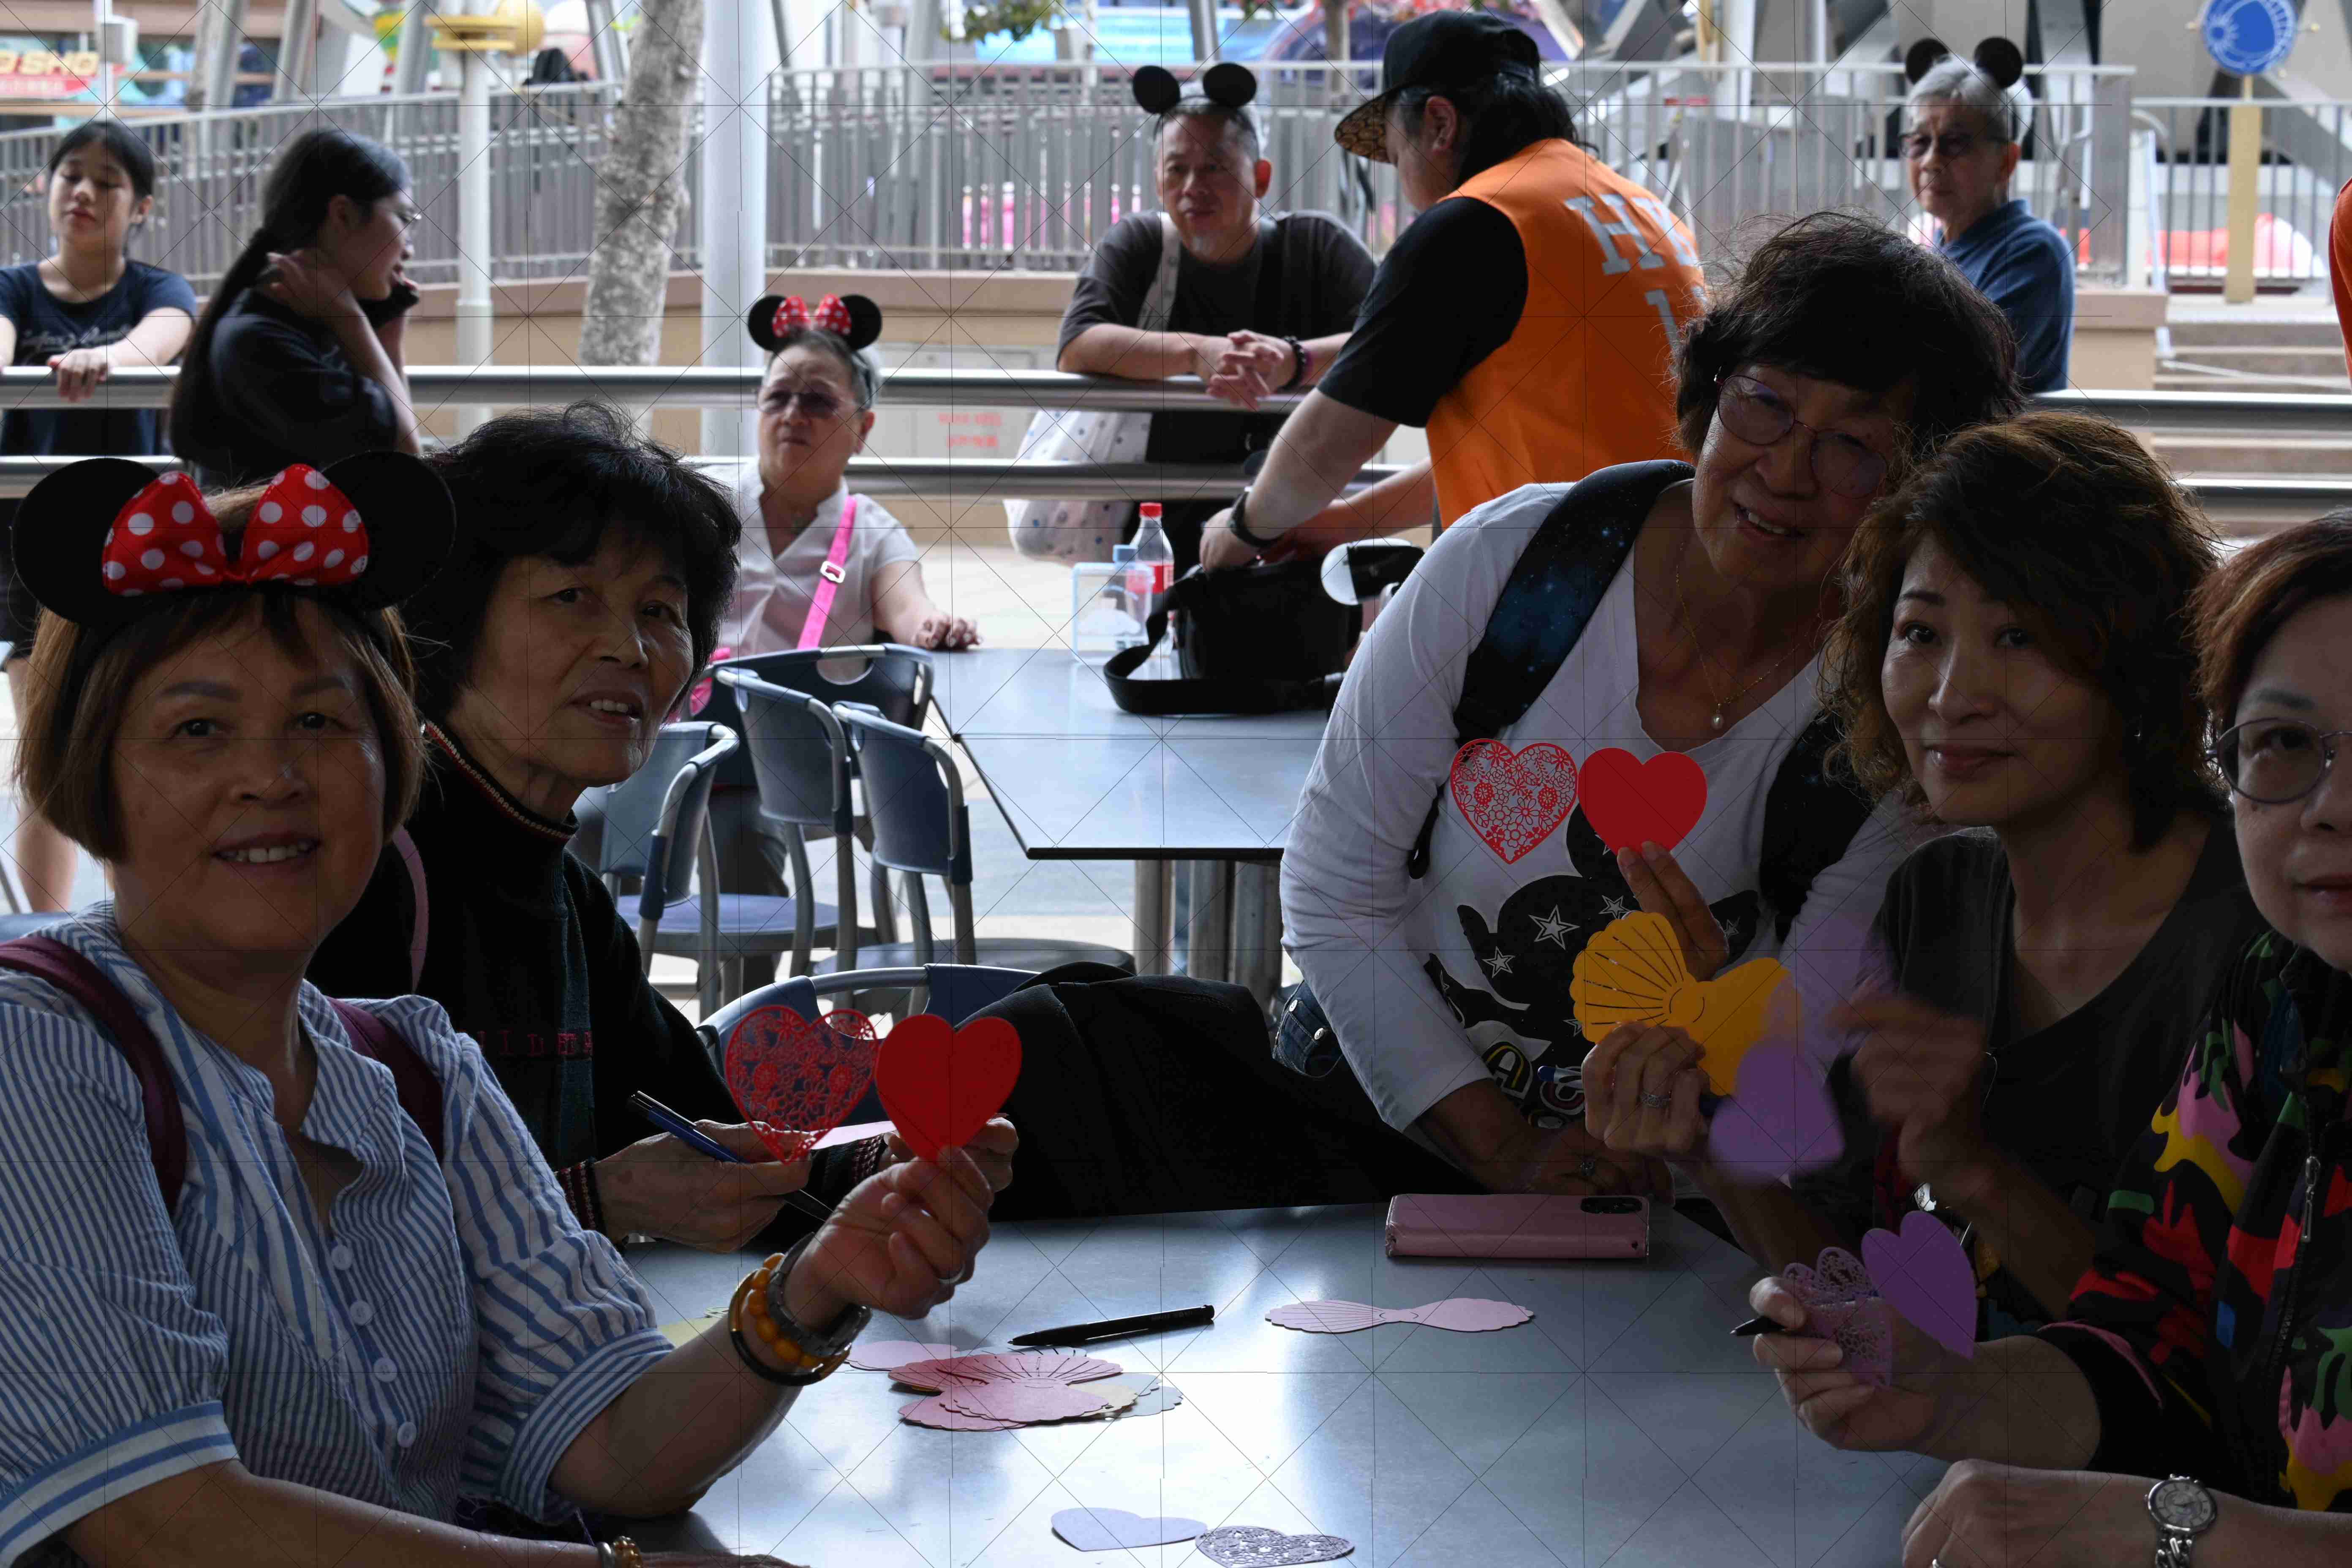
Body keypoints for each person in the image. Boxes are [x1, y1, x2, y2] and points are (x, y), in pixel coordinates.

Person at [0, 451, 994, 1568]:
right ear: (91, 771)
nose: (271, 777)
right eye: (199, 729)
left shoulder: (417, 1071)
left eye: (320, 722)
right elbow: (160, 1517)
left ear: (388, 760)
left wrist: (815, 1289)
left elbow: (613, 1440)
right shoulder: (37, 1043)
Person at [1279, 213, 2021, 1199]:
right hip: (1385, 1159)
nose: (1784, 472)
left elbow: (1796, 1064)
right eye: (1764, 404)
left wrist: (1711, 1018)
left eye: (1852, 444)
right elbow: (1335, 890)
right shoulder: (1511, 567)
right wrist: (1508, 1151)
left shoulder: (1888, 715)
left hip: (1674, 1214)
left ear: (1912, 486)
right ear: (1708, 398)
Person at [1748, 515, 2352, 1563]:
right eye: (2285, 743)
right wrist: (1950, 1390)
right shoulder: (2279, 994)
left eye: (2021, 637)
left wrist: (2184, 1531)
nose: (2333, 808)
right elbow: (2153, 1338)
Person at [1582, 411, 2267, 1334]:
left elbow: (2223, 1367)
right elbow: (1849, 1274)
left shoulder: (2258, 939)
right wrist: (1703, 1136)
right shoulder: (1937, 897)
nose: (1952, 695)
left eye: (2019, 638)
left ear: (2140, 660)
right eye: (1920, 632)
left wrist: (1972, 1169)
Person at [309, 403, 1017, 1251]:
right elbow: (308, 1227)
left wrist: (892, 1166)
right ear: (454, 623)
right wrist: (596, 1203)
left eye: (659, 609)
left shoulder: (568, 898)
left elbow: (706, 1123)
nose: (630, 648)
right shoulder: (363, 873)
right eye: (572, 597)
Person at [1196, 9, 1706, 572]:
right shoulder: (1639, 208)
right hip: (1678, 568)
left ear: (1439, 124)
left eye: (1396, 155)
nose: (1402, 181)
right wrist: (1347, 521)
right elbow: (1526, 443)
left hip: (1572, 588)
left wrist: (1241, 529)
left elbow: (1329, 441)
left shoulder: (1479, 221)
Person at [1041, 63, 1377, 573]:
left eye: (1216, 167)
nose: (1194, 186)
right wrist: (1196, 352)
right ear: (1158, 181)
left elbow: (1389, 342)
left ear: (1260, 177)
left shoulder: (1317, 247)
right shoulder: (1139, 244)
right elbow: (1078, 345)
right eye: (1177, 169)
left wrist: (1294, 360)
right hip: (1154, 536)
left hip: (1296, 534)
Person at [0, 121, 196, 913]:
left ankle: (138, 938)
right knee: (48, 751)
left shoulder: (159, 290)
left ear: (141, 205)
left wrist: (104, 360)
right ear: (46, 188)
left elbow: (158, 345)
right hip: (27, 542)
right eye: (71, 175)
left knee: (129, 747)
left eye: (108, 182)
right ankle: (49, 945)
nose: (83, 192)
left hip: (131, 544)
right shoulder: (12, 288)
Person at [166, 126, 424, 487]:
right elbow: (405, 463)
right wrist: (352, 322)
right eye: (404, 218)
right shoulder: (260, 342)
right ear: (343, 215)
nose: (410, 248)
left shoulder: (308, 323)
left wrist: (386, 337)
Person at [722, 293, 976, 656]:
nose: (792, 415)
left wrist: (935, 627)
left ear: (863, 429)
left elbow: (910, 610)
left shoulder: (875, 536)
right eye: (778, 397)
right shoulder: (704, 504)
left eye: (818, 401)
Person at [1906, 53, 2074, 394]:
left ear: (2005, 162)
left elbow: (1959, 374)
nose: (1931, 161)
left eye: (1955, 144)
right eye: (1920, 142)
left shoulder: (2033, 251)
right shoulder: (1940, 250)